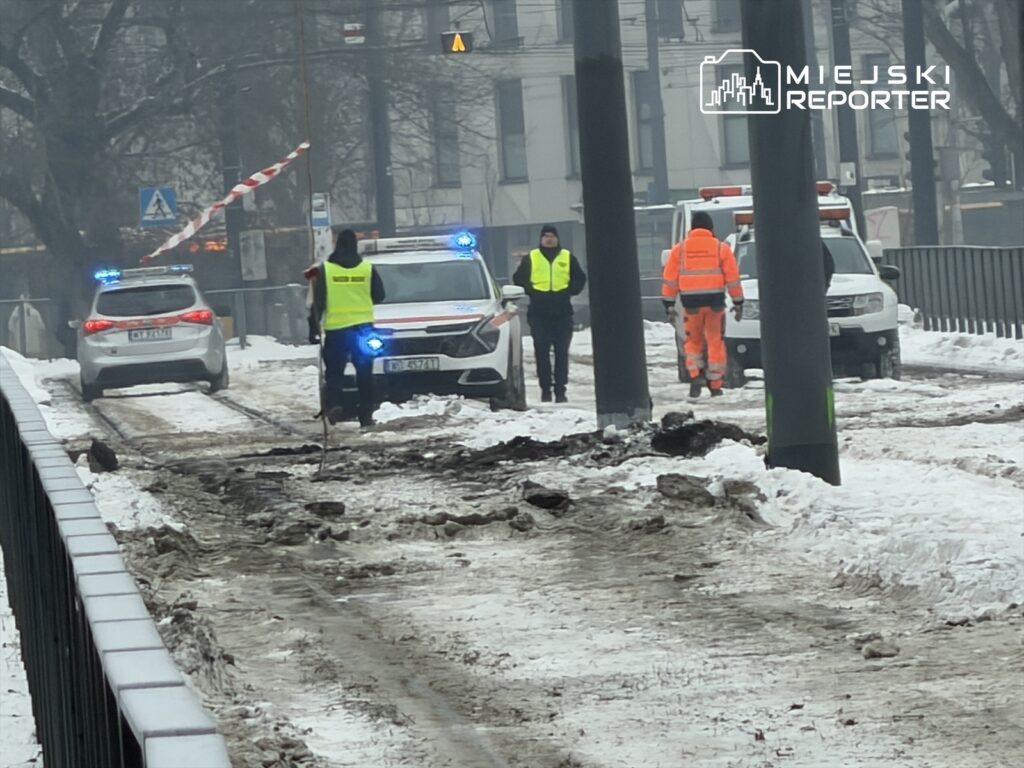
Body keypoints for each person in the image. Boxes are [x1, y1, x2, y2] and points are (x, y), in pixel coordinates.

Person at [307, 228, 385, 427]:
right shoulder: (367, 268)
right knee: (365, 373)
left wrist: (313, 329)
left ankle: (334, 406)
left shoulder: (326, 270)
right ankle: (366, 415)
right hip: (363, 330)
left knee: (334, 373)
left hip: (337, 331)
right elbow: (379, 295)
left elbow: (319, 302)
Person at [662, 211, 743, 398]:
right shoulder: (720, 249)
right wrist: (738, 302)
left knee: (693, 341)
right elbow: (732, 278)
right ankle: (715, 384)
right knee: (715, 341)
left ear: (692, 227)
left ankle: (695, 377)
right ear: (710, 228)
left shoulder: (679, 250)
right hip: (714, 304)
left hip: (690, 305)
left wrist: (668, 304)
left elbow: (670, 280)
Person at [513, 224, 587, 403]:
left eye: (552, 236)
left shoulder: (567, 257)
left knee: (562, 353)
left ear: (557, 238)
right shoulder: (532, 257)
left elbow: (580, 278)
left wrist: (570, 290)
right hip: (539, 313)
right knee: (542, 353)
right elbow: (518, 278)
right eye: (545, 236)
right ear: (541, 238)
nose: (549, 239)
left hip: (562, 312)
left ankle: (560, 391)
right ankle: (545, 390)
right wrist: (532, 291)